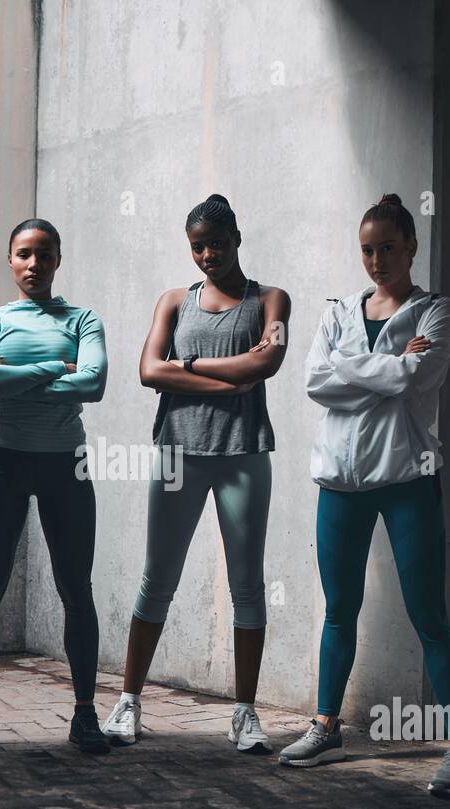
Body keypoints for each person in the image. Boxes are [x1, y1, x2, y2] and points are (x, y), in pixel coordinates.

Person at [279, 193, 450, 797]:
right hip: (340, 481)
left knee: (429, 618)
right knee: (339, 611)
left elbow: (415, 377)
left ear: (411, 246)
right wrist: (383, 368)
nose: (377, 259)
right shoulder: (339, 308)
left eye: (388, 247)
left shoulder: (436, 312)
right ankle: (325, 726)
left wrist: (352, 364)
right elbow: (316, 382)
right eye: (367, 249)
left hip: (409, 480)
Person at [102, 194, 290, 753]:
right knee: (157, 578)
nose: (208, 254)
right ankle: (129, 702)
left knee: (247, 585)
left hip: (243, 453)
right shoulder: (172, 302)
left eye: (217, 242)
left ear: (237, 237)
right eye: (197, 245)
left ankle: (245, 713)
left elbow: (268, 362)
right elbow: (146, 371)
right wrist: (226, 380)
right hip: (178, 455)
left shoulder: (271, 300)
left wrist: (183, 369)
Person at [0, 219, 110, 756]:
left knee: (76, 591)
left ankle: (85, 715)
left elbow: (95, 383)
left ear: (58, 259)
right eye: (24, 254)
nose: (34, 264)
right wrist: (53, 367)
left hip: (67, 465)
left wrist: (14, 369)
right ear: (10, 260)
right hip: (4, 462)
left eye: (44, 254)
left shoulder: (83, 318)